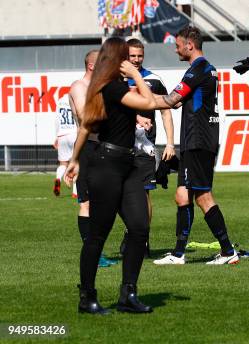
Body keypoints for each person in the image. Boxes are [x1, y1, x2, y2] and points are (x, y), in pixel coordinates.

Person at [64, 37, 161, 314]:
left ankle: (128, 294)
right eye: (126, 58)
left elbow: (85, 127)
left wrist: (74, 160)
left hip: (127, 164)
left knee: (140, 226)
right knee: (97, 235)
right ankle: (87, 296)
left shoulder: (109, 87)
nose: (131, 61)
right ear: (116, 59)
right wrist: (136, 76)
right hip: (106, 165)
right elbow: (148, 102)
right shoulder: (110, 87)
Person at [152, 26, 239, 265]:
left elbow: (171, 100)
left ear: (190, 45)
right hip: (195, 140)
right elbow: (178, 103)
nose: (176, 48)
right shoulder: (204, 69)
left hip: (199, 140)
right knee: (182, 196)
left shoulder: (198, 69)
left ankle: (228, 251)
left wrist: (136, 97)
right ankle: (178, 254)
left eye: (178, 44)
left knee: (203, 197)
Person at [119, 38, 175, 255]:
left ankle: (142, 239)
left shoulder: (153, 79)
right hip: (120, 145)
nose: (136, 60)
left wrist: (170, 143)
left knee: (144, 194)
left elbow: (166, 110)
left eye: (139, 56)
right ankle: (130, 231)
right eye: (132, 56)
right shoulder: (116, 78)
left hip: (146, 147)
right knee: (120, 194)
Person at [68, 49, 117, 268]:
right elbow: (84, 116)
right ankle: (93, 255)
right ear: (91, 66)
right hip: (88, 148)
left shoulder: (103, 86)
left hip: (104, 147)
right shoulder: (79, 87)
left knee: (103, 204)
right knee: (86, 203)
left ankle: (97, 251)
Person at [53, 94, 78, 197]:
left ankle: (58, 178)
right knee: (78, 162)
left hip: (62, 134)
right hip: (74, 133)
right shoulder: (76, 98)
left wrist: (56, 137)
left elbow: (57, 120)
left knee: (63, 164)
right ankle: (75, 192)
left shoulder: (60, 101)